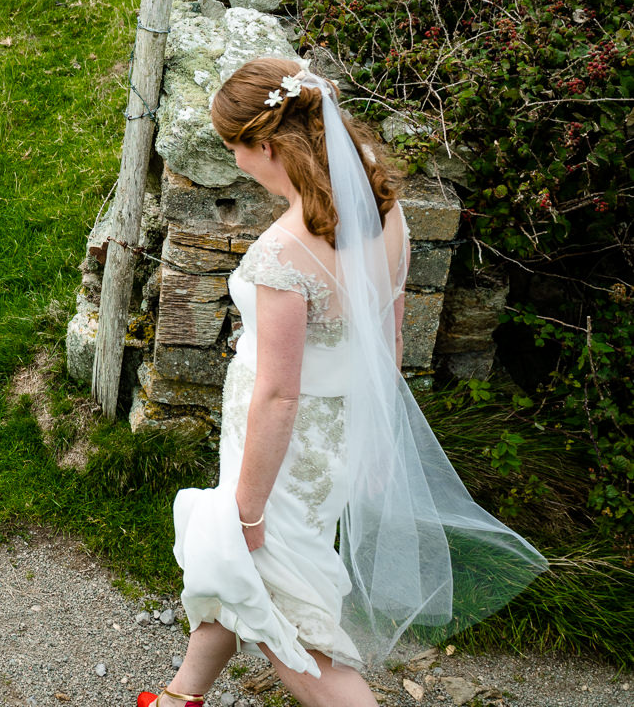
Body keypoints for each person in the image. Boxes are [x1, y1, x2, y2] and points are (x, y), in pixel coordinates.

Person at [139, 58, 545, 707]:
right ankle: (179, 696)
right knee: (250, 574)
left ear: (266, 145)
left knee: (284, 613)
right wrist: (375, 441)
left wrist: (247, 510)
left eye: (235, 149)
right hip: (337, 437)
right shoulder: (386, 214)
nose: (237, 164)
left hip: (281, 457)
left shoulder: (283, 253)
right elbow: (390, 322)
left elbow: (278, 393)